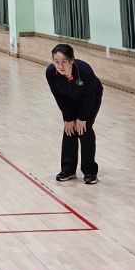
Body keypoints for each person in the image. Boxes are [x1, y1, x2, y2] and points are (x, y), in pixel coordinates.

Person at [46, 44, 103, 184]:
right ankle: (68, 170)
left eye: (64, 61)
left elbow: (90, 96)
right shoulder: (51, 73)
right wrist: (68, 118)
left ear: (72, 60)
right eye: (56, 62)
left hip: (90, 98)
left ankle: (90, 171)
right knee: (69, 130)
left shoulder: (85, 71)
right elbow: (58, 96)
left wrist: (82, 118)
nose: (60, 66)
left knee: (84, 130)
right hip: (68, 99)